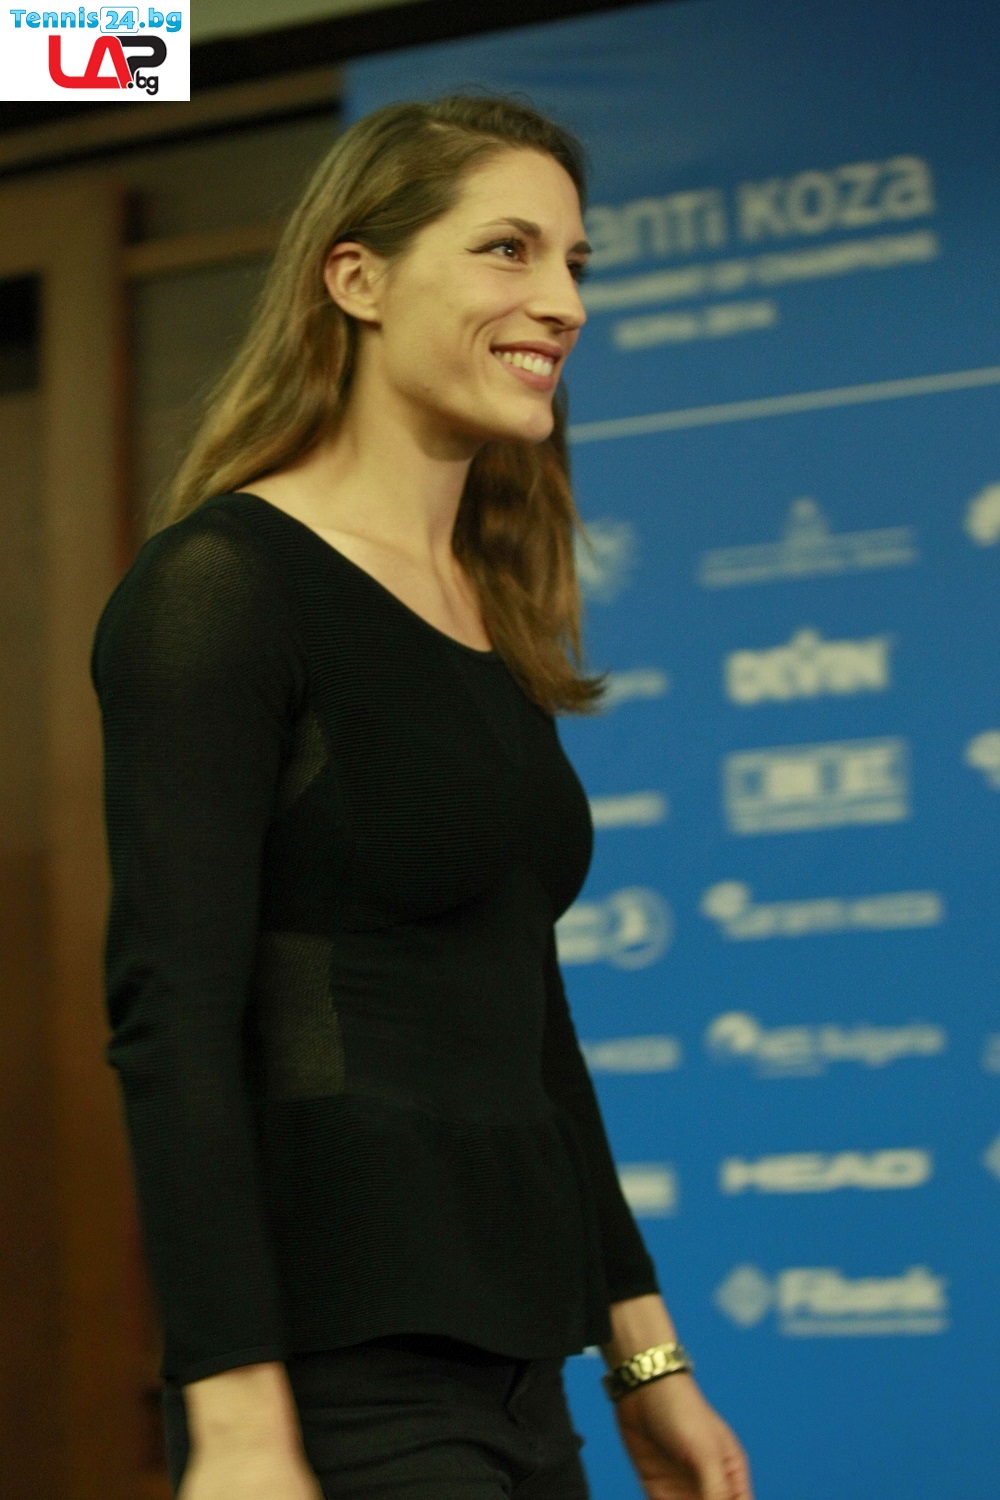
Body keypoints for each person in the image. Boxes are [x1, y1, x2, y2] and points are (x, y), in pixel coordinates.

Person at [91, 94, 753, 1500]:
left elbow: (529, 1022)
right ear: (358, 278)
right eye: (509, 249)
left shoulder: (484, 613)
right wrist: (237, 1419)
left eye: (576, 261)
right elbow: (173, 1019)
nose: (562, 300)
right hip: (340, 1380)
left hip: (521, 1376)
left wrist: (646, 1360)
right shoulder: (223, 585)